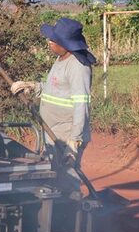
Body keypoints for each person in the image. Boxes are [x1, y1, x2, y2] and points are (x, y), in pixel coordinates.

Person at [12, 16, 97, 164]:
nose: (49, 42)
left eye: (54, 40)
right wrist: (32, 86)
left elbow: (81, 105)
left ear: (66, 44)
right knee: (51, 177)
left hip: (66, 134)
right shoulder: (61, 58)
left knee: (67, 178)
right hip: (52, 131)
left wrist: (74, 141)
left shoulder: (78, 67)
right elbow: (56, 89)